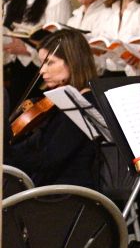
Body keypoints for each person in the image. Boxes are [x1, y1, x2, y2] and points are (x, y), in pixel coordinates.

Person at [6, 30, 99, 188]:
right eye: (42, 63)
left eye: (50, 62)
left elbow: (48, 159)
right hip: (46, 187)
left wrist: (7, 155)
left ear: (72, 62)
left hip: (68, 195)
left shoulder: (84, 102)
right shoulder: (54, 101)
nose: (42, 71)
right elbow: (33, 147)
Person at [3, 0, 73, 101]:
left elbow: (61, 44)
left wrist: (27, 49)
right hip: (16, 73)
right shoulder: (12, 4)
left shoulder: (58, 0)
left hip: (45, 73)